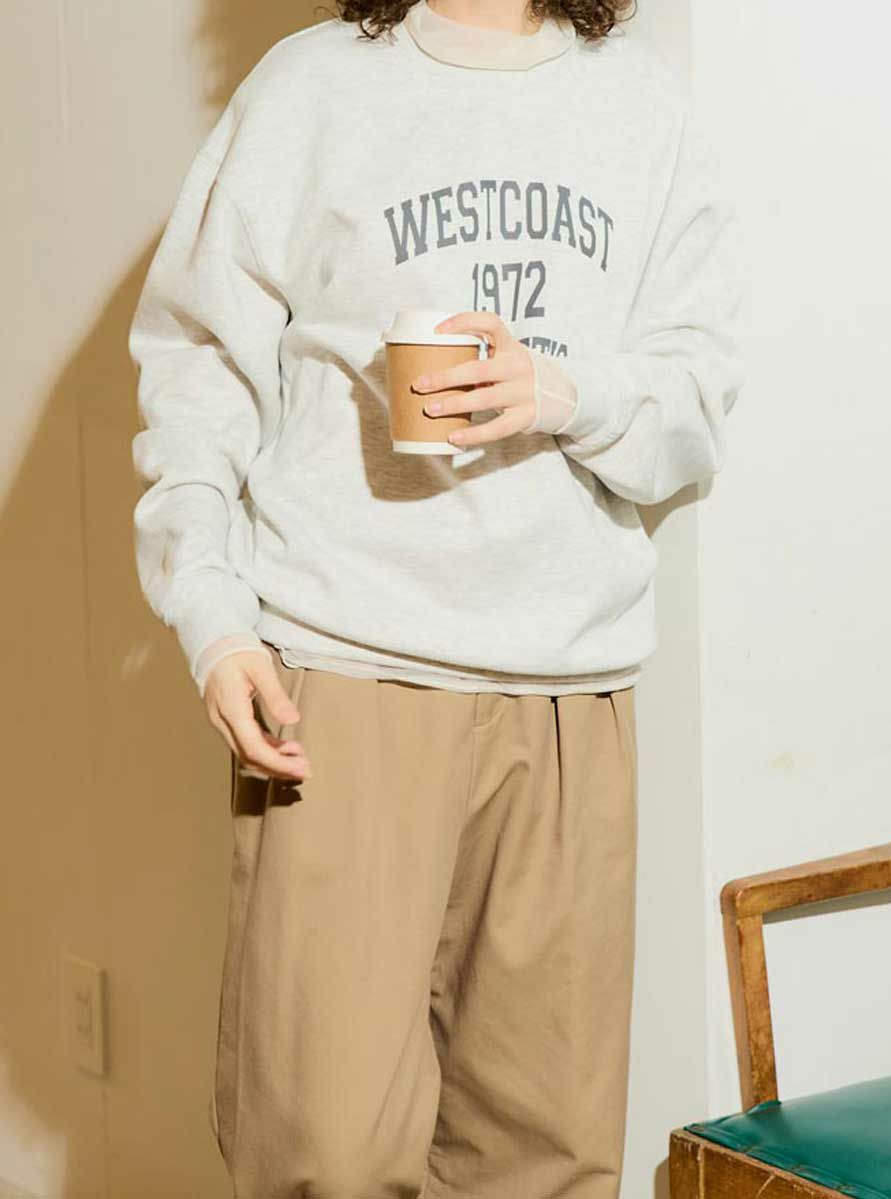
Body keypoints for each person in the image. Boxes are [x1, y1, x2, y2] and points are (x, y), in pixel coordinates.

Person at [127, 0, 742, 1194]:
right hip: (344, 673)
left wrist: (561, 392)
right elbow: (198, 376)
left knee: (547, 1154)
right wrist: (210, 614)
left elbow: (696, 409)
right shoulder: (309, 89)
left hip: (571, 685)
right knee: (323, 1146)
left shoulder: (643, 106)